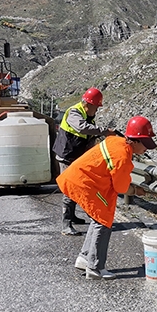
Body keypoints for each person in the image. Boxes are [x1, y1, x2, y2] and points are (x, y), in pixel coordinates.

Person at [56, 116, 156, 280]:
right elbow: (121, 187)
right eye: (146, 144)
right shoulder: (123, 156)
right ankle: (95, 267)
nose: (147, 149)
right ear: (136, 141)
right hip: (85, 183)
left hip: (80, 178)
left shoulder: (115, 141)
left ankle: (84, 257)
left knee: (98, 219)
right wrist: (136, 190)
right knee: (103, 221)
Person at [53, 87, 117, 235]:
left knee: (79, 186)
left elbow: (88, 136)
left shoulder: (88, 116)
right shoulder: (74, 112)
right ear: (89, 104)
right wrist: (104, 131)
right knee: (70, 189)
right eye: (96, 107)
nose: (97, 110)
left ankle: (73, 216)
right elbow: (82, 128)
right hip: (66, 155)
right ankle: (66, 225)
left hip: (75, 156)